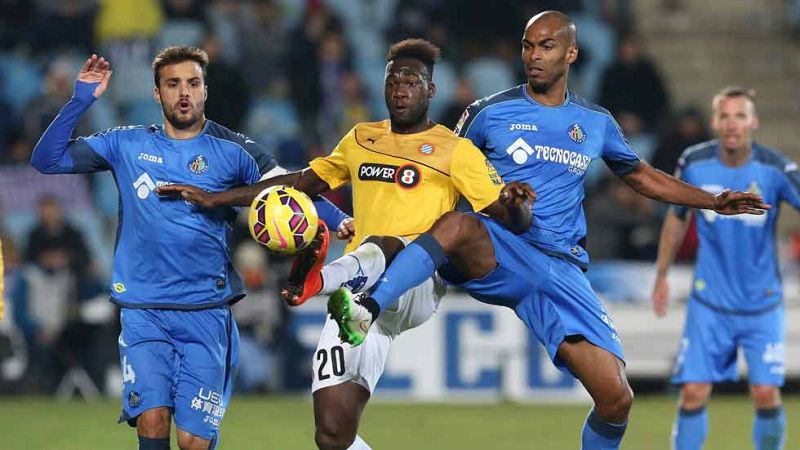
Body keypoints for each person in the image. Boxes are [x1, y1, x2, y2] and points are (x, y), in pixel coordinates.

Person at [326, 12, 769, 450]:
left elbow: (640, 175)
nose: (533, 55)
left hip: (560, 268)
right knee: (459, 224)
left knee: (616, 398)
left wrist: (712, 200)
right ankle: (368, 307)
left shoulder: (594, 122)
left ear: (571, 54)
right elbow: (440, 171)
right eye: (527, 46)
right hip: (500, 246)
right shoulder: (487, 112)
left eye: (546, 46)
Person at [157, 38, 533, 450]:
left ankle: (315, 283)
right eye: (393, 81)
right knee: (333, 435)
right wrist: (219, 198)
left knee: (385, 244)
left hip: (415, 285)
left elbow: (508, 217)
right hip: (357, 295)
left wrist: (517, 206)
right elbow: (301, 183)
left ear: (430, 90)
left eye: (411, 82)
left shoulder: (455, 150)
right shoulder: (361, 138)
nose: (400, 90)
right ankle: (330, 288)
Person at [28, 46, 346, 450]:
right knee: (152, 419)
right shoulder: (126, 143)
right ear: (157, 93)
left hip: (205, 312)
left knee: (193, 440)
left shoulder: (233, 149)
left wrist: (340, 220)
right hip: (143, 309)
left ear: (205, 90)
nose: (184, 93)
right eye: (173, 84)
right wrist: (80, 101)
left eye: (193, 83)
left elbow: (296, 186)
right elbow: (47, 160)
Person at [652, 86, 793, 450]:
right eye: (725, 116)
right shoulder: (694, 162)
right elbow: (676, 216)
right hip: (709, 302)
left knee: (765, 394)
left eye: (740, 116)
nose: (732, 124)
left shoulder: (775, 168)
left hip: (762, 303)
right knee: (693, 392)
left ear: (753, 122)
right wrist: (662, 275)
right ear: (714, 122)